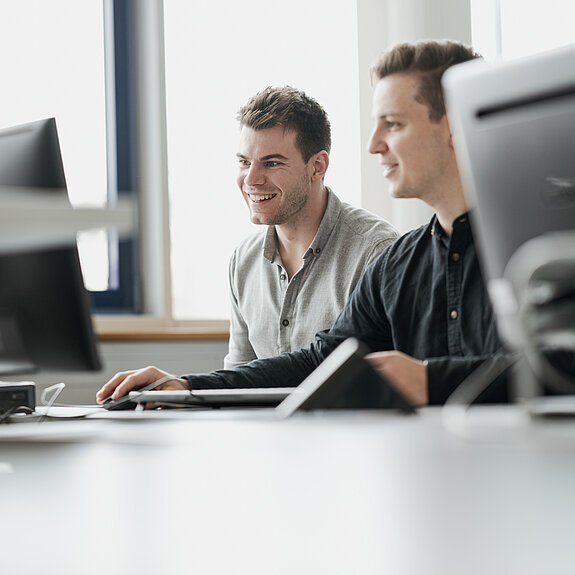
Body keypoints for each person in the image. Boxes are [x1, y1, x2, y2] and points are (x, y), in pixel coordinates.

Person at [97, 39, 504, 408]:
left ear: (453, 126)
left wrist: (434, 381)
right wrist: (190, 387)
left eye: (393, 124)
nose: (373, 144)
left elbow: (562, 366)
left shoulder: (541, 245)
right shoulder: (398, 266)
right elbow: (320, 362)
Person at [225, 86, 398, 368]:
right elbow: (237, 378)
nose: (251, 179)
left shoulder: (376, 252)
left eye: (271, 163)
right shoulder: (243, 260)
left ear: (317, 166)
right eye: (244, 162)